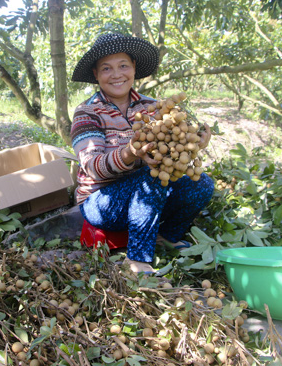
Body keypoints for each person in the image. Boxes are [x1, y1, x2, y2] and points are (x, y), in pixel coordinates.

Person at [70, 33, 215, 274]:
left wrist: (194, 144)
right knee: (153, 177)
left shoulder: (154, 107)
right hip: (100, 201)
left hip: (147, 193)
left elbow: (170, 153)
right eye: (107, 68)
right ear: (96, 75)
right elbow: (92, 165)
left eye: (123, 65)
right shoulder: (87, 112)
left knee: (201, 184)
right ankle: (137, 259)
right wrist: (129, 153)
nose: (116, 74)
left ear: (134, 68)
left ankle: (167, 236)